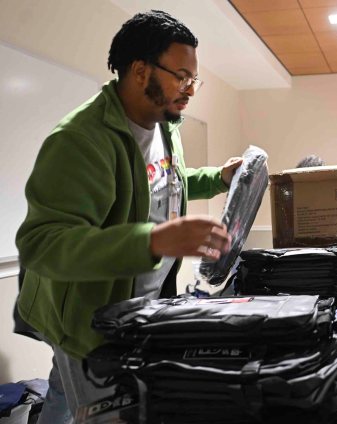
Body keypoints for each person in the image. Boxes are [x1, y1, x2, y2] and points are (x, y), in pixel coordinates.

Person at [15, 10, 242, 420]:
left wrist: (219, 178)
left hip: (140, 304)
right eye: (181, 77)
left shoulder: (163, 123)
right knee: (98, 408)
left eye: (194, 79)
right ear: (140, 71)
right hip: (90, 320)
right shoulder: (79, 140)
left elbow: (162, 184)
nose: (190, 89)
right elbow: (42, 243)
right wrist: (152, 241)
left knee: (64, 395)